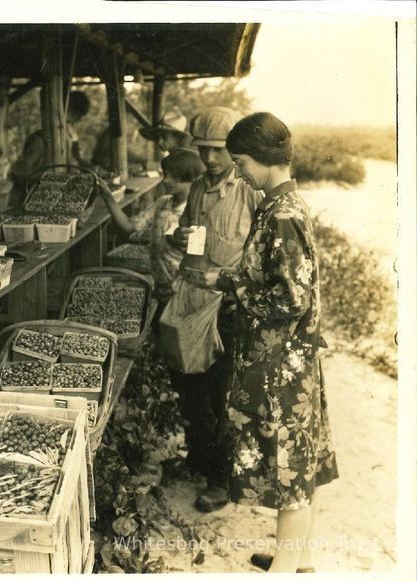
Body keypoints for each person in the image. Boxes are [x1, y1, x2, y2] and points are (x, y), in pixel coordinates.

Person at [198, 112, 339, 573]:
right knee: (297, 461)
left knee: (289, 467)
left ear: (261, 158)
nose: (238, 172)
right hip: (289, 359)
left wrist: (232, 286)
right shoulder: (283, 205)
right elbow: (278, 277)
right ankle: (296, 558)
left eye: (240, 162)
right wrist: (231, 277)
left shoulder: (281, 214)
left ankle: (284, 571)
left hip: (281, 363)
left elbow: (291, 298)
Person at [165, 106, 263, 513]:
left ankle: (220, 479)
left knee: (220, 394)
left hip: (228, 306)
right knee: (188, 384)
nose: (209, 159)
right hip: (192, 299)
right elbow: (181, 241)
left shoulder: (250, 191)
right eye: (203, 150)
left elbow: (261, 257)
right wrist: (179, 235)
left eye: (219, 151)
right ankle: (198, 458)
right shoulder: (197, 190)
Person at [95, 148, 205, 303]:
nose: (166, 180)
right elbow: (129, 228)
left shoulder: (198, 211)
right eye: (166, 174)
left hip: (184, 289)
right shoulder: (162, 203)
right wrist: (108, 198)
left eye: (174, 177)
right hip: (161, 284)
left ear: (192, 179)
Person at [10, 91, 91, 208]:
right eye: (68, 120)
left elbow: (72, 163)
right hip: (33, 199)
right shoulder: (37, 141)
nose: (67, 126)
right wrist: (46, 178)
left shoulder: (65, 140)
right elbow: (21, 174)